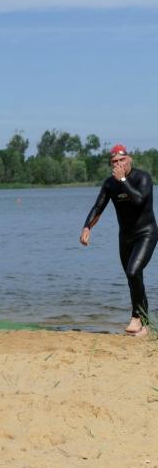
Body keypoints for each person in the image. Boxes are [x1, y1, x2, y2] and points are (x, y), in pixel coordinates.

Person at [80, 144, 158, 337]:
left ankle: (136, 317)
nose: (119, 164)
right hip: (125, 237)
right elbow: (98, 207)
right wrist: (87, 227)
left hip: (146, 233)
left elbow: (139, 200)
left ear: (129, 159)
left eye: (122, 160)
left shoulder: (143, 178)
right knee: (133, 279)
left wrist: (123, 180)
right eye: (114, 161)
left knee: (133, 271)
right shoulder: (110, 183)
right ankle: (144, 325)